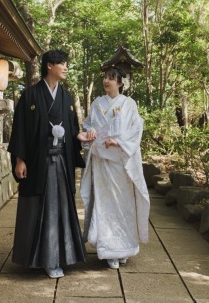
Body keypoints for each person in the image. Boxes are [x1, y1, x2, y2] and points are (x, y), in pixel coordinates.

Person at [8, 49, 93, 278]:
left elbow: (72, 127)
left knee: (61, 209)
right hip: (38, 163)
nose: (65, 67)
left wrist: (80, 136)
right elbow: (21, 130)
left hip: (61, 162)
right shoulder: (31, 95)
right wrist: (19, 159)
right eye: (62, 64)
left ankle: (61, 255)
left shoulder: (65, 96)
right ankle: (45, 258)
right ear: (49, 66)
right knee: (40, 208)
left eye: (66, 63)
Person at [80, 66, 149, 270]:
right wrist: (91, 132)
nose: (106, 81)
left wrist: (118, 142)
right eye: (105, 77)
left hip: (121, 163)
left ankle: (125, 247)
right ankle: (109, 249)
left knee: (123, 205)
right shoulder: (97, 103)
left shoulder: (129, 104)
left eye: (111, 78)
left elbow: (136, 129)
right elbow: (88, 124)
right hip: (102, 161)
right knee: (104, 204)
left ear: (120, 83)